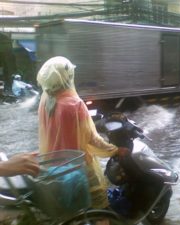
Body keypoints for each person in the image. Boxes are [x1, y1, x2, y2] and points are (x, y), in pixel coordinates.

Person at [37, 56, 123, 210]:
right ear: (69, 77)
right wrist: (115, 150)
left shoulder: (45, 101)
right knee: (101, 204)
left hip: (53, 167)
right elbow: (92, 139)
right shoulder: (74, 104)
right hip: (77, 166)